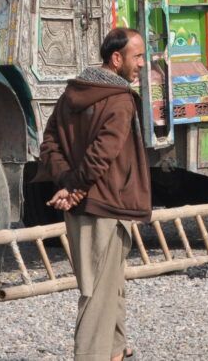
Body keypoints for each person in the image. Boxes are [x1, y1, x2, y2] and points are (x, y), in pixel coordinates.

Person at [36, 28, 152, 361]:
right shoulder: (119, 100)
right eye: (138, 56)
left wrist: (67, 182)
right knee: (96, 292)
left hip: (82, 203)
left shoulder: (72, 93)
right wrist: (73, 186)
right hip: (105, 205)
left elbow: (49, 143)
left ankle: (115, 352)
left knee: (111, 284)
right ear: (116, 59)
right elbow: (104, 152)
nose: (142, 64)